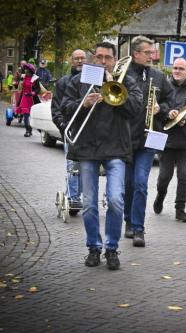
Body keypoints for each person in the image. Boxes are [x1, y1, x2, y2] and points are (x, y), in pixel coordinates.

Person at [61, 42, 142, 270]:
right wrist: (82, 103)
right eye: (99, 57)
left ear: (115, 60)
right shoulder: (79, 80)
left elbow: (135, 109)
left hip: (116, 146)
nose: (103, 61)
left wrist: (112, 85)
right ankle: (94, 247)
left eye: (108, 57)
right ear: (93, 59)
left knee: (116, 200)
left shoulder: (126, 81)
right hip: (88, 147)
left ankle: (112, 247)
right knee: (88, 203)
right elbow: (64, 107)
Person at [124, 35, 175, 245]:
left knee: (140, 183)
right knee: (127, 184)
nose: (152, 56)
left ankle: (138, 228)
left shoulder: (158, 76)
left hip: (149, 137)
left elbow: (171, 100)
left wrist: (160, 108)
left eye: (152, 52)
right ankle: (128, 219)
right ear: (136, 53)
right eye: (148, 52)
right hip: (125, 138)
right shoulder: (124, 74)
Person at [153, 57, 186, 222]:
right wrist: (168, 113)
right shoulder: (164, 86)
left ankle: (180, 209)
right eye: (175, 68)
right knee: (164, 177)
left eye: (181, 69)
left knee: (183, 176)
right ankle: (160, 196)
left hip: (185, 141)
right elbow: (156, 108)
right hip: (166, 140)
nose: (177, 71)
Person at [51, 49, 87, 210]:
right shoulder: (63, 82)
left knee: (86, 167)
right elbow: (56, 109)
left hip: (90, 133)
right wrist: (64, 127)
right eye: (76, 59)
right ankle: (74, 199)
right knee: (73, 166)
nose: (80, 61)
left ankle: (81, 196)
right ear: (71, 61)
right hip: (71, 132)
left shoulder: (93, 81)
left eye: (82, 58)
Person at [16, 63, 47, 137]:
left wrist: (32, 93)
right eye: (25, 69)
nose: (25, 70)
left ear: (30, 71)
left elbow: (38, 89)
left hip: (32, 99)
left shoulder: (35, 78)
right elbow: (18, 86)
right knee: (26, 115)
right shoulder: (23, 77)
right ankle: (28, 131)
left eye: (27, 69)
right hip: (24, 98)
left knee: (35, 116)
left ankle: (42, 131)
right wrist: (19, 80)